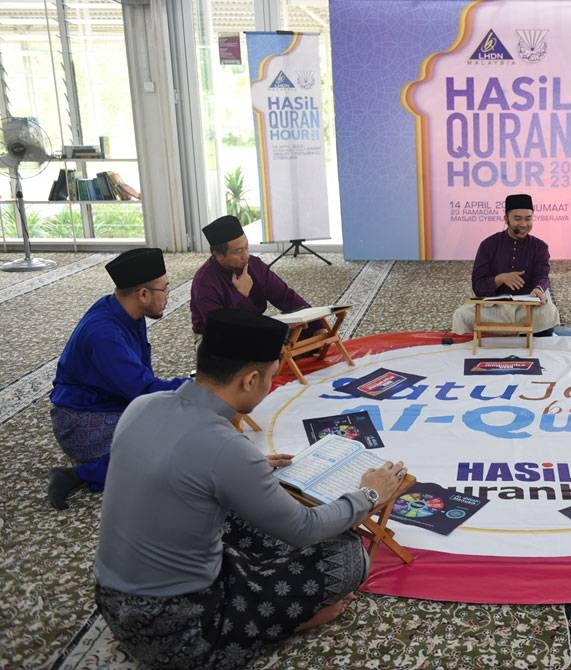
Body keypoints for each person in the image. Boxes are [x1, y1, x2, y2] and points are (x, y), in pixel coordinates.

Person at [94, 309, 407, 669]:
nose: (270, 386)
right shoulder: (226, 448)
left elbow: (186, 467)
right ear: (250, 379)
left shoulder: (143, 406)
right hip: (179, 628)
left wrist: (246, 469)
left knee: (238, 514)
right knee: (348, 555)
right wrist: (369, 495)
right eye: (271, 378)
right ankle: (292, 622)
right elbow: (304, 528)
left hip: (113, 603)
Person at [47, 248, 188, 510]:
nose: (169, 296)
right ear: (143, 294)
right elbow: (143, 389)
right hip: (78, 420)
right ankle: (74, 476)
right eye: (165, 289)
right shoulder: (105, 334)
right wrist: (197, 384)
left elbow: (142, 381)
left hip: (111, 402)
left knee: (175, 420)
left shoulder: (125, 310)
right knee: (167, 441)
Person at [451, 194, 561, 336]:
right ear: (506, 219)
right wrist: (500, 279)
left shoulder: (540, 247)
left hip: (527, 308)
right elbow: (477, 285)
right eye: (517, 219)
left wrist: (538, 289)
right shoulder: (488, 245)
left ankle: (511, 334)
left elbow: (543, 276)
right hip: (495, 308)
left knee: (548, 311)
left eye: (528, 218)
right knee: (462, 314)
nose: (523, 224)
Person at [190, 214, 311, 334]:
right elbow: (223, 329)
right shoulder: (204, 282)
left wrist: (317, 325)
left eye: (246, 247)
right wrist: (241, 295)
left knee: (304, 332)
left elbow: (285, 296)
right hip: (215, 338)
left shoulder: (254, 265)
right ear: (218, 255)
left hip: (253, 327)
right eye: (238, 251)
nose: (246, 256)